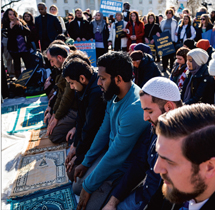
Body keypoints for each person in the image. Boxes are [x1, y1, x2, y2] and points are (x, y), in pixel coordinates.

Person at [73, 52, 150, 209]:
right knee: (76, 185)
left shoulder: (135, 108)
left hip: (123, 165)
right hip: (111, 155)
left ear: (118, 79)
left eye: (102, 78)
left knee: (88, 203)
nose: (98, 83)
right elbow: (103, 131)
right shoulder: (114, 94)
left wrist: (88, 187)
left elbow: (117, 155)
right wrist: (87, 162)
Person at [102, 77, 183, 210]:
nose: (145, 118)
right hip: (142, 195)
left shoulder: (186, 141)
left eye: (149, 111)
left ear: (169, 107)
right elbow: (139, 164)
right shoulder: (154, 126)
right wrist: (113, 201)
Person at [62, 55, 107, 181]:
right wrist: (75, 146)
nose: (71, 87)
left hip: (99, 139)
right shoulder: (82, 88)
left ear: (82, 78)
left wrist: (80, 157)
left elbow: (91, 128)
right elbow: (81, 119)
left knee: (73, 174)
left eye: (72, 83)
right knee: (71, 152)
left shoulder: (96, 93)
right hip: (89, 135)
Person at [44, 44, 78, 143]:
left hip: (75, 109)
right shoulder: (61, 68)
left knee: (54, 135)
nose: (51, 64)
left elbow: (67, 97)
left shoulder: (71, 68)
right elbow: (60, 93)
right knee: (49, 122)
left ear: (59, 57)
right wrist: (54, 113)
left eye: (52, 61)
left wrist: (57, 117)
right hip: (70, 107)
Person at [2, 8, 33, 78]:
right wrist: (11, 27)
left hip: (24, 47)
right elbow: (8, 36)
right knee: (17, 64)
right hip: (14, 48)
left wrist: (20, 25)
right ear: (7, 15)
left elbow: (28, 32)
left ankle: (29, 79)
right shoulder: (6, 24)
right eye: (10, 14)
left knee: (28, 63)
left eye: (13, 14)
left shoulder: (20, 22)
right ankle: (19, 81)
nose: (12, 16)